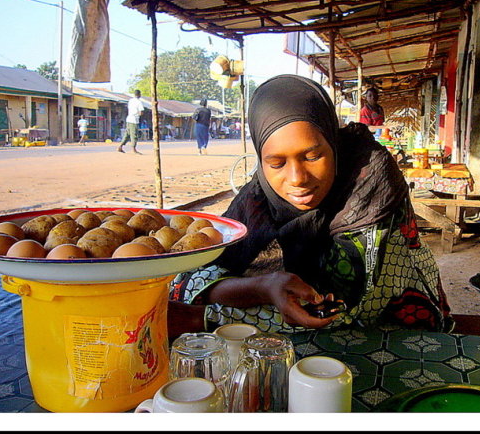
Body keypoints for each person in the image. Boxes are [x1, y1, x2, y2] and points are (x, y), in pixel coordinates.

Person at [167, 75, 453, 339]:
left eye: (313, 156)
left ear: (333, 143)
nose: (297, 179)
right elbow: (194, 273)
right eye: (276, 163)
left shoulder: (370, 181)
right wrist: (263, 287)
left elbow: (345, 307)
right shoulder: (258, 196)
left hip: (399, 341)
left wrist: (204, 317)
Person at [117, 90, 143, 154]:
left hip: (129, 119)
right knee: (134, 135)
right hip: (134, 120)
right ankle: (134, 149)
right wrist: (139, 114)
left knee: (127, 134)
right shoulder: (139, 102)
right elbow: (141, 112)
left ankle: (120, 146)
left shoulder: (130, 101)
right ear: (139, 94)